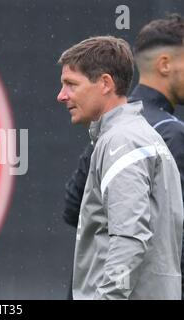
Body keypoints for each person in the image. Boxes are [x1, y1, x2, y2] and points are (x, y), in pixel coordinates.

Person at [63, 14, 184, 299]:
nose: (63, 96)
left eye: (71, 84)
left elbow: (77, 210)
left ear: (105, 83)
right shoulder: (139, 132)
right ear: (164, 64)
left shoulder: (120, 132)